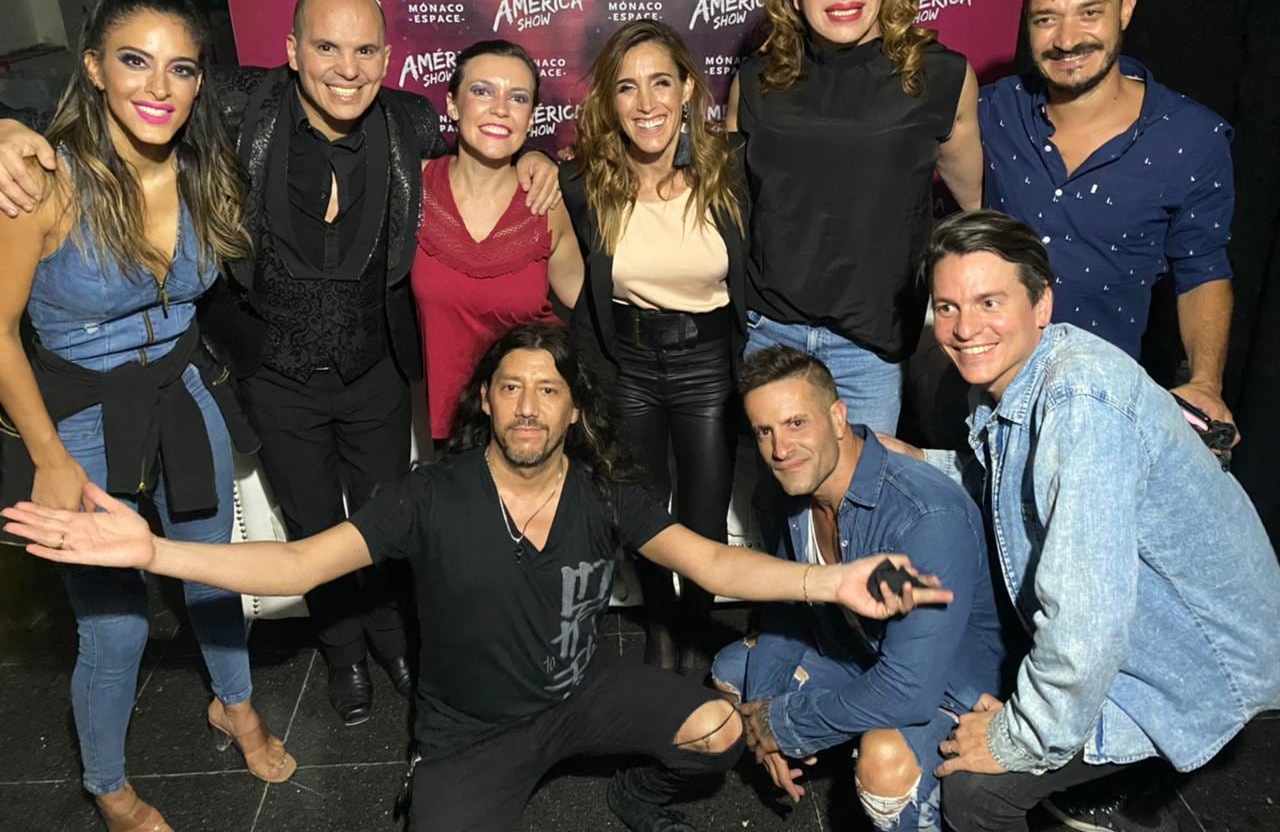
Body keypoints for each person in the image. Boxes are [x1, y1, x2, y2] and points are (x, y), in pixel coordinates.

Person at [3, 321, 956, 832]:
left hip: (580, 696)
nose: (530, 405)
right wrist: (154, 553)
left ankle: (637, 798)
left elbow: (710, 559)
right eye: (511, 386)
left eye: (550, 388)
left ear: (574, 410)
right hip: (469, 738)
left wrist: (828, 584)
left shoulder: (605, 493)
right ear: (486, 403)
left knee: (712, 732)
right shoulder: (427, 496)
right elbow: (297, 561)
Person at [0, 0, 562, 727]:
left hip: (376, 372)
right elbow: (119, 103)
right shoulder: (233, 104)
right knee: (309, 520)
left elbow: (493, 143)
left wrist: (543, 164)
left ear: (388, 60)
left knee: (385, 516)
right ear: (292, 52)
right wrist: (10, 130)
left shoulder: (411, 122)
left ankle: (394, 639)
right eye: (326, 47)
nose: (347, 68)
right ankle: (344, 654)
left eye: (365, 51)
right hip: (273, 372)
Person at [0, 0, 293, 832]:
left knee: (210, 570)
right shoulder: (43, 182)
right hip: (80, 415)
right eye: (135, 61)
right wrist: (49, 458)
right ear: (92, 67)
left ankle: (232, 703)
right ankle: (107, 785)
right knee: (118, 626)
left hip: (180, 385)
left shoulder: (205, 166)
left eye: (183, 68)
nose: (158, 89)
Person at [885, 211, 1280, 832]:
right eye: (948, 308)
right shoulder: (1021, 374)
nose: (965, 330)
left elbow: (1086, 620)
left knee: (974, 795)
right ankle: (1116, 787)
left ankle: (1131, 782)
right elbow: (1015, 480)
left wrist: (1019, 739)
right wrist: (922, 460)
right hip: (1146, 626)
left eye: (989, 301)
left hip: (1195, 660)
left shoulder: (1080, 402)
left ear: (1042, 303)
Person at [711, 346, 1005, 831]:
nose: (780, 450)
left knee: (883, 762)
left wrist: (782, 724)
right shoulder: (797, 491)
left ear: (838, 416)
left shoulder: (924, 517)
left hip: (951, 692)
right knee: (732, 672)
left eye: (796, 423)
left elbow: (911, 689)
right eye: (765, 431)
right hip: (858, 649)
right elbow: (788, 610)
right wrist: (762, 714)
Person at [727, 0, 982, 435]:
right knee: (783, 513)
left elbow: (974, 208)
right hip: (770, 335)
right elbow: (723, 209)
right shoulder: (755, 82)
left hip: (870, 348)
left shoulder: (940, 78)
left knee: (864, 513)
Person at [980, 0, 1237, 431]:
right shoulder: (993, 110)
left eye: (1089, 13)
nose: (1067, 38)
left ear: (1126, 8)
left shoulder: (1191, 137)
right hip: (985, 398)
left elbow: (1203, 270)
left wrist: (1206, 382)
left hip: (1103, 408)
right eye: (1046, 19)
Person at [563, 19, 749, 675]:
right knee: (642, 508)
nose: (647, 105)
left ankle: (697, 627)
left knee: (702, 511)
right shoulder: (586, 186)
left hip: (708, 361)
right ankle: (661, 629)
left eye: (661, 83)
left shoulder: (731, 171)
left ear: (688, 88)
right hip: (629, 364)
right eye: (627, 88)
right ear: (609, 103)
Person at [413, 39, 582, 442]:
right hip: (451, 430)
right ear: (452, 104)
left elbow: (590, 305)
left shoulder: (547, 200)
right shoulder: (413, 187)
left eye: (518, 97)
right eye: (482, 91)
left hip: (534, 426)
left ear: (530, 117)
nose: (501, 108)